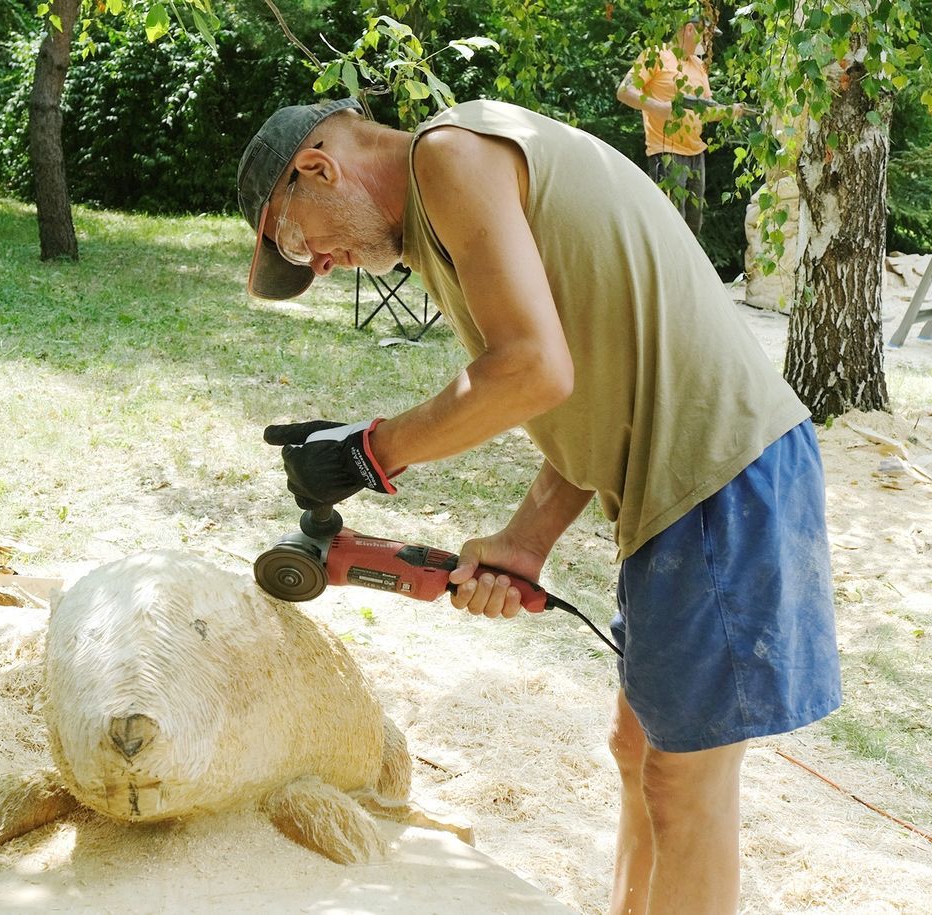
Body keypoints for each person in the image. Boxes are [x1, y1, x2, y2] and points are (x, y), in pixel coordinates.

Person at [237, 96, 841, 914]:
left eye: (297, 239)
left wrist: (371, 451)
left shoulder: (449, 158)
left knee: (682, 784)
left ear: (318, 166)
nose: (320, 265)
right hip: (678, 490)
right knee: (639, 753)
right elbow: (591, 377)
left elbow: (532, 371)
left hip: (721, 474)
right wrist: (527, 539)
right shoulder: (445, 217)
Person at [616, 12, 743, 236]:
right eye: (707, 35)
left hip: (697, 155)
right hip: (666, 153)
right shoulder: (655, 55)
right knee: (670, 228)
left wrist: (728, 112)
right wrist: (657, 107)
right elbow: (625, 91)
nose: (709, 42)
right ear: (690, 29)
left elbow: (704, 111)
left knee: (692, 230)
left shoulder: (698, 66)